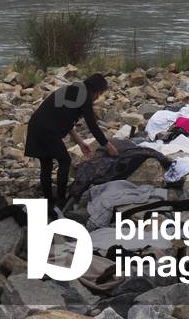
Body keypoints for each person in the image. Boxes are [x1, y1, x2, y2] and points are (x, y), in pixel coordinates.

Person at [25, 73, 119, 216]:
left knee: (46, 163)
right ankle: (61, 199)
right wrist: (108, 146)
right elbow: (92, 125)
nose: (97, 98)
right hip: (46, 130)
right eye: (100, 94)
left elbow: (65, 117)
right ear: (97, 91)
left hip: (36, 125)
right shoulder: (85, 96)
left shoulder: (74, 90)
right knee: (65, 160)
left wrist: (80, 142)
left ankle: (49, 201)